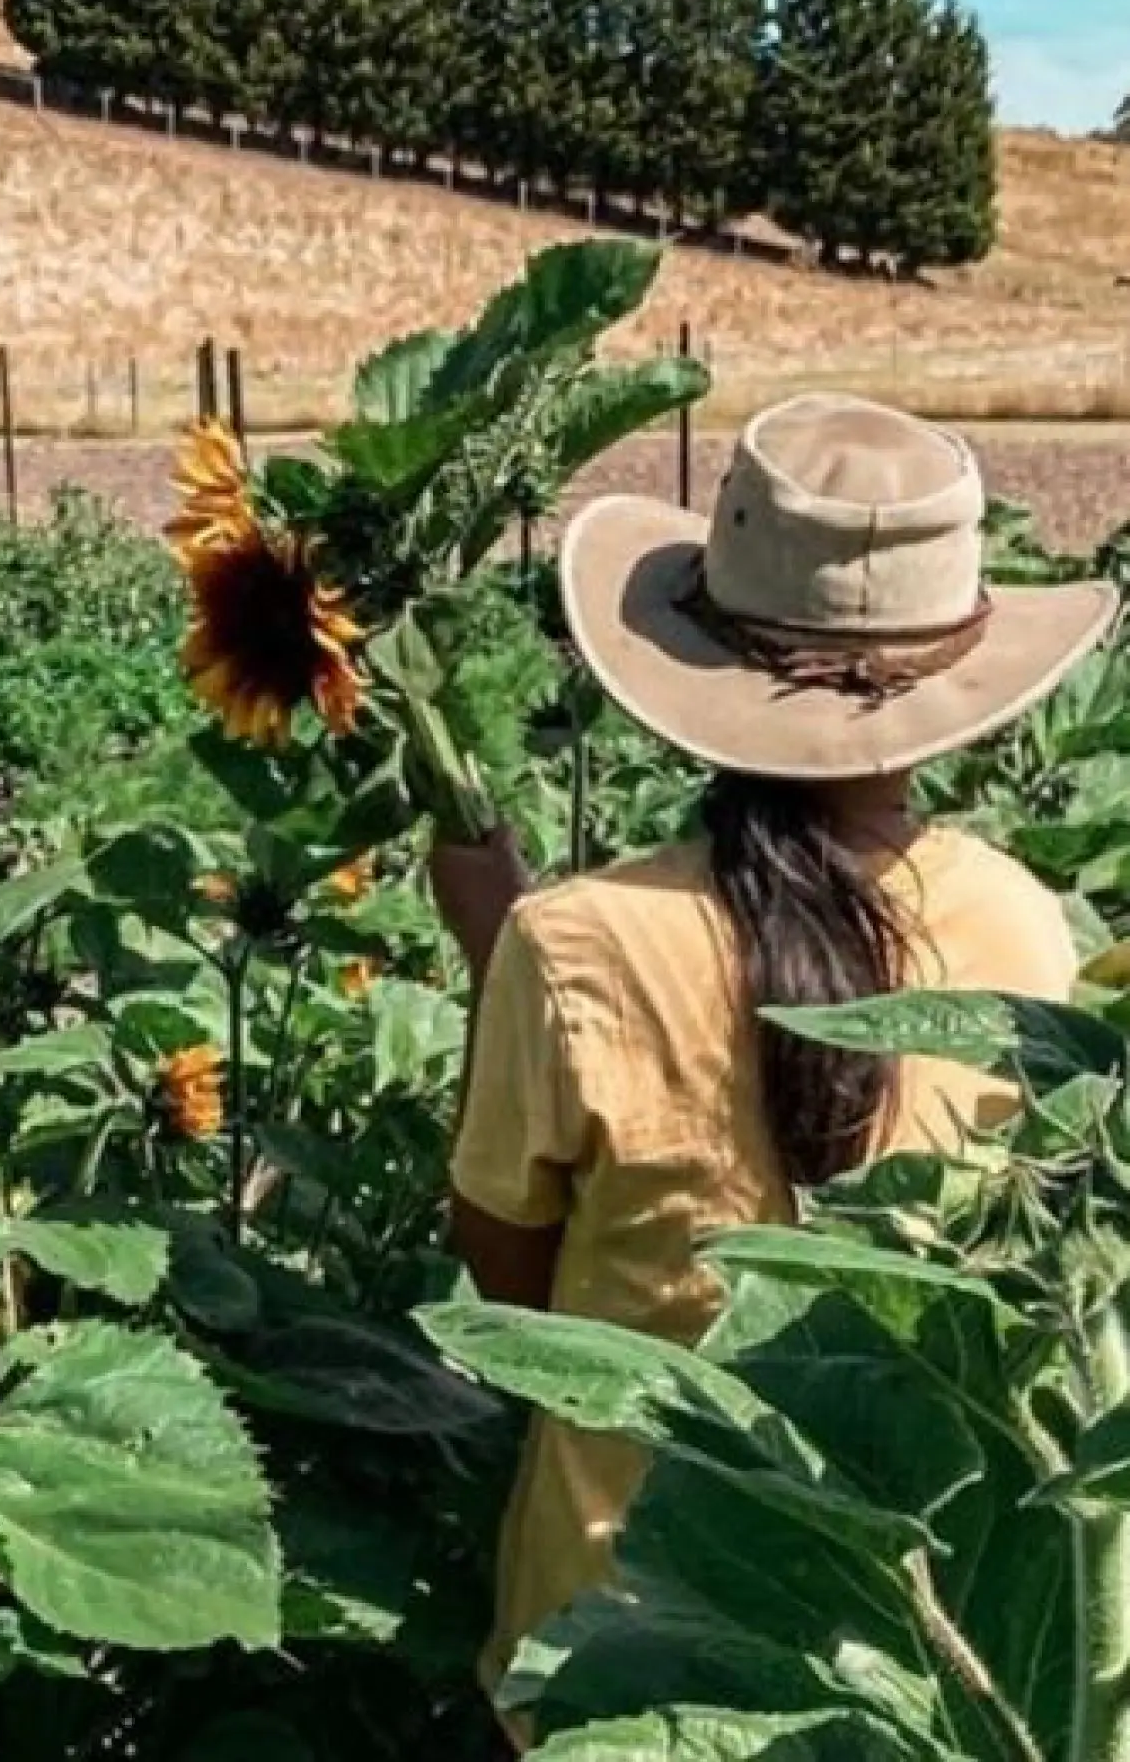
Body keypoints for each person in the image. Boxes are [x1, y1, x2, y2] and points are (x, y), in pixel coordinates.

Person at [427, 394, 1121, 1732]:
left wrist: (494, 944)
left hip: (622, 1623)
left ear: (693, 665)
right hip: (914, 1646)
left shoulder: (571, 940)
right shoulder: (1023, 926)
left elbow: (515, 1288)